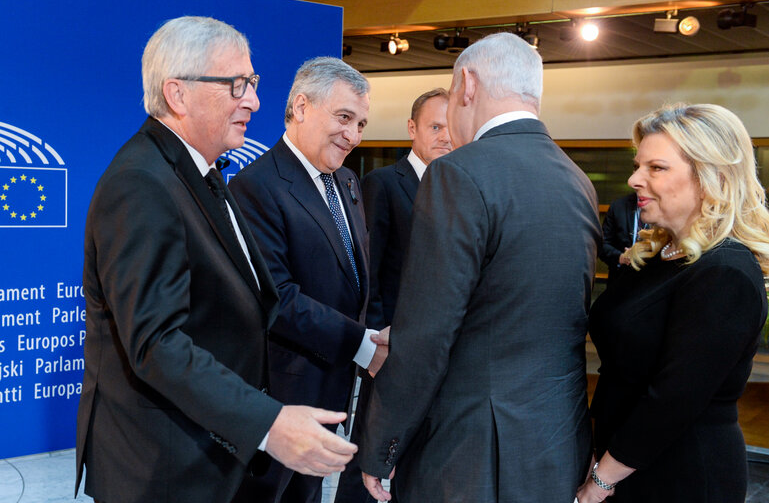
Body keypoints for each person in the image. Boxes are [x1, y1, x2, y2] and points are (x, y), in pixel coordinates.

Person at [75, 17, 356, 503]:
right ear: (178, 94)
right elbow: (156, 343)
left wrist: (361, 342)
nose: (254, 100)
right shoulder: (140, 182)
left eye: (253, 83)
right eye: (236, 85)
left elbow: (256, 302)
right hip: (162, 470)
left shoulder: (200, 172)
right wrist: (268, 423)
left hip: (210, 454)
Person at [358, 32, 601, 502]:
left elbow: (428, 333)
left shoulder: (458, 173)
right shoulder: (576, 179)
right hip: (556, 441)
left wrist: (380, 445)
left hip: (471, 453)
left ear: (466, 85)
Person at [576, 103, 769, 503]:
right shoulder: (654, 255)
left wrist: (600, 483)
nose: (634, 179)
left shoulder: (725, 271)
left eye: (656, 168)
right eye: (638, 165)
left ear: (710, 177)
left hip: (681, 476)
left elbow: (673, 401)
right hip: (625, 461)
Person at [228, 57, 389, 503]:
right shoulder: (256, 185)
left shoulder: (349, 183)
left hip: (333, 387)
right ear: (301, 106)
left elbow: (354, 282)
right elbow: (276, 297)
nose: (353, 135)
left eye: (360, 123)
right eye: (343, 118)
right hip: (279, 397)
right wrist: (363, 345)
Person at [334, 88, 452, 503]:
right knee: (369, 455)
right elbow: (368, 269)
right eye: (435, 126)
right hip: (389, 348)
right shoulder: (381, 184)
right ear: (412, 129)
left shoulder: (460, 188)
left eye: (451, 127)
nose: (445, 136)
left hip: (438, 351)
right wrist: (377, 340)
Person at [599, 192, 646, 283]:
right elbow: (602, 244)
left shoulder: (666, 206)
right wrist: (621, 257)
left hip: (652, 279)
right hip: (620, 279)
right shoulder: (618, 206)